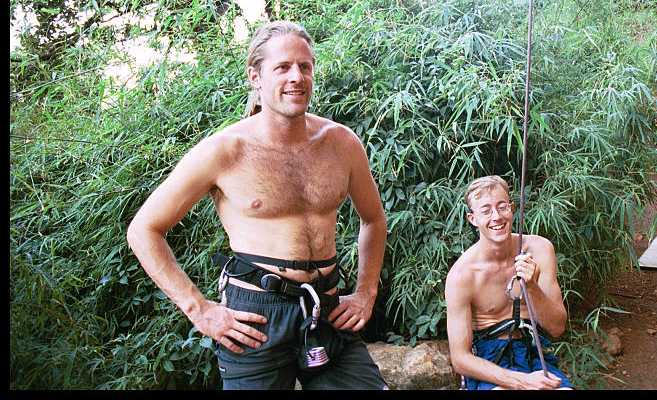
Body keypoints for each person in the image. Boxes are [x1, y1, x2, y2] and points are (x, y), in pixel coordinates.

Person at [127, 20, 389, 389]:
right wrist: (199, 310)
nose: (296, 77)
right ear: (256, 77)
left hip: (328, 312)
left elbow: (373, 219)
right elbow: (144, 229)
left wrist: (366, 292)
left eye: (305, 66)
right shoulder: (224, 150)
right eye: (282, 67)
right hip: (256, 322)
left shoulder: (341, 143)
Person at [445, 176, 573, 390]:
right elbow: (460, 359)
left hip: (533, 352)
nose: (496, 217)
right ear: (473, 218)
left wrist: (531, 286)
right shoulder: (462, 275)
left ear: (512, 208)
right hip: (490, 361)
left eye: (502, 206)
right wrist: (523, 382)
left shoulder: (540, 250)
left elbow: (557, 327)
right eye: (486, 211)